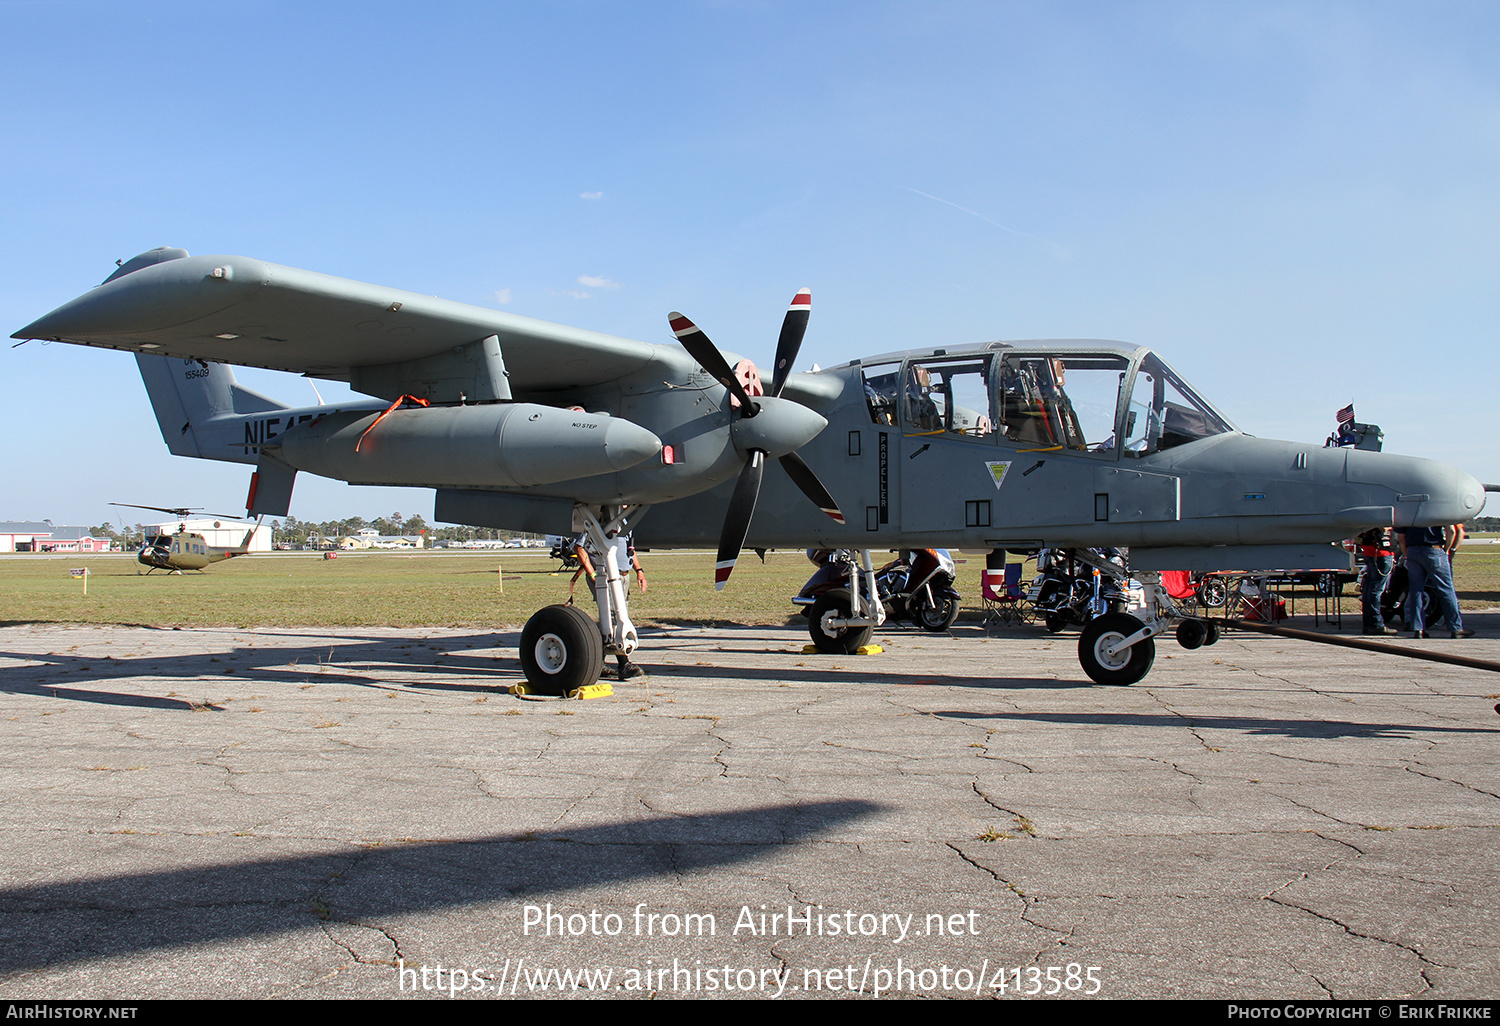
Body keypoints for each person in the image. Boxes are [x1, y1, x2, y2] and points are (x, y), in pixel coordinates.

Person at [569, 531, 649, 678]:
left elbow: (629, 549)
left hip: (624, 576)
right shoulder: (598, 518)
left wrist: (639, 570)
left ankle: (597, 664)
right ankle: (623, 664)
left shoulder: (623, 521)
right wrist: (593, 574)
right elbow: (579, 548)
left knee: (616, 618)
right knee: (613, 619)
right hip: (608, 575)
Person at [1396, 524, 1472, 639]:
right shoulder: (1436, 509)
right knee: (1446, 590)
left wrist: (1406, 554)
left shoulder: (1410, 512)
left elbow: (1401, 537)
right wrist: (1447, 550)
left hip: (1412, 550)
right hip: (1433, 548)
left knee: (1416, 591)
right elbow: (1451, 530)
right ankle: (1455, 628)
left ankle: (1418, 628)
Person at [1356, 527, 1396, 635]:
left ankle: (1369, 623)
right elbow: (1383, 527)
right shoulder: (1381, 515)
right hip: (1381, 552)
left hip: (1370, 551)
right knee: (1376, 589)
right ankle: (1376, 623)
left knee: (1370, 588)